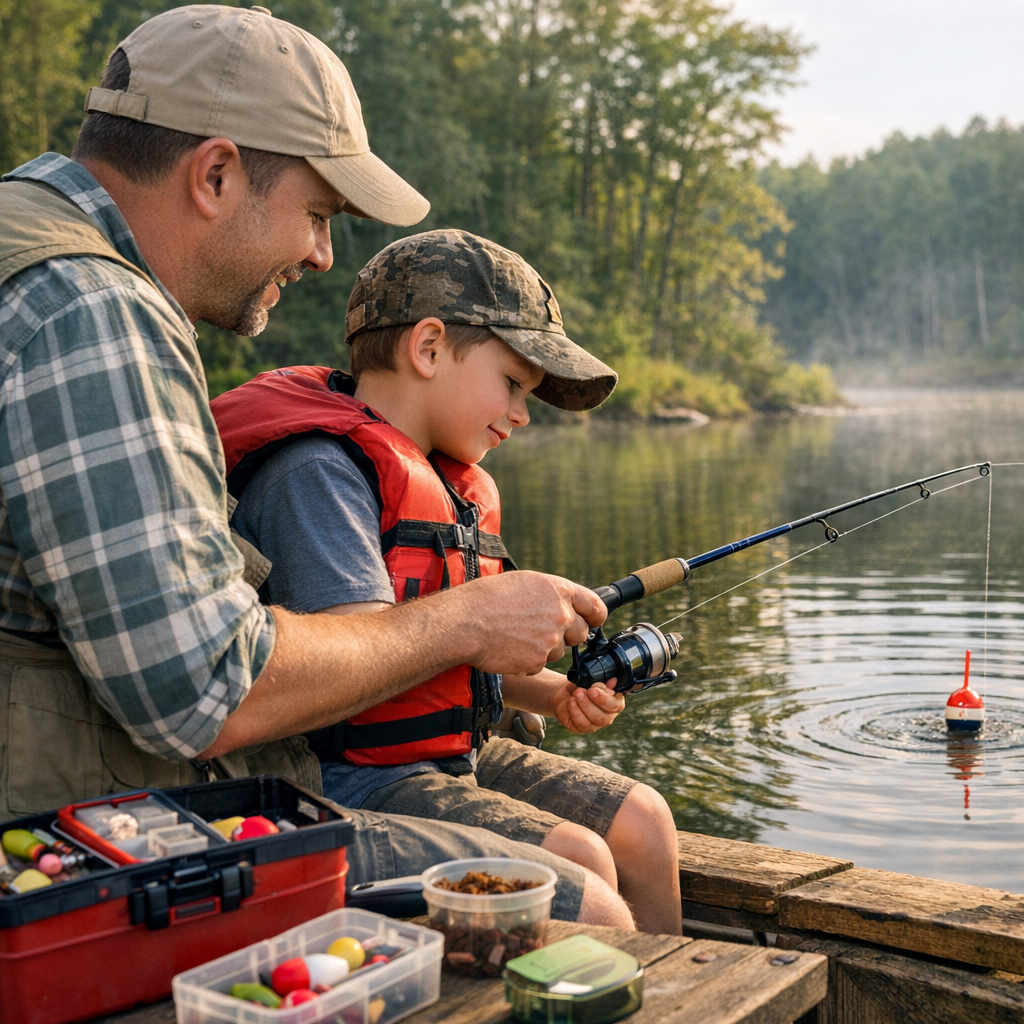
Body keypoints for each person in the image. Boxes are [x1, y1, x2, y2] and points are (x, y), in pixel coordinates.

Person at [0, 5, 636, 929]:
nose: (323, 253)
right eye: (317, 213)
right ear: (215, 173)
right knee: (583, 909)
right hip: (60, 850)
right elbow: (207, 690)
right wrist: (466, 617)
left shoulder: (26, 234)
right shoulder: (88, 310)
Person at [216, 230, 683, 934]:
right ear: (428, 349)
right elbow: (361, 663)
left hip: (453, 756)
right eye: (514, 385)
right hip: (349, 780)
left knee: (645, 821)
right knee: (583, 861)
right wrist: (482, 618)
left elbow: (459, 656)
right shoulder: (320, 475)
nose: (524, 414)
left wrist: (552, 694)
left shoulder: (448, 480)